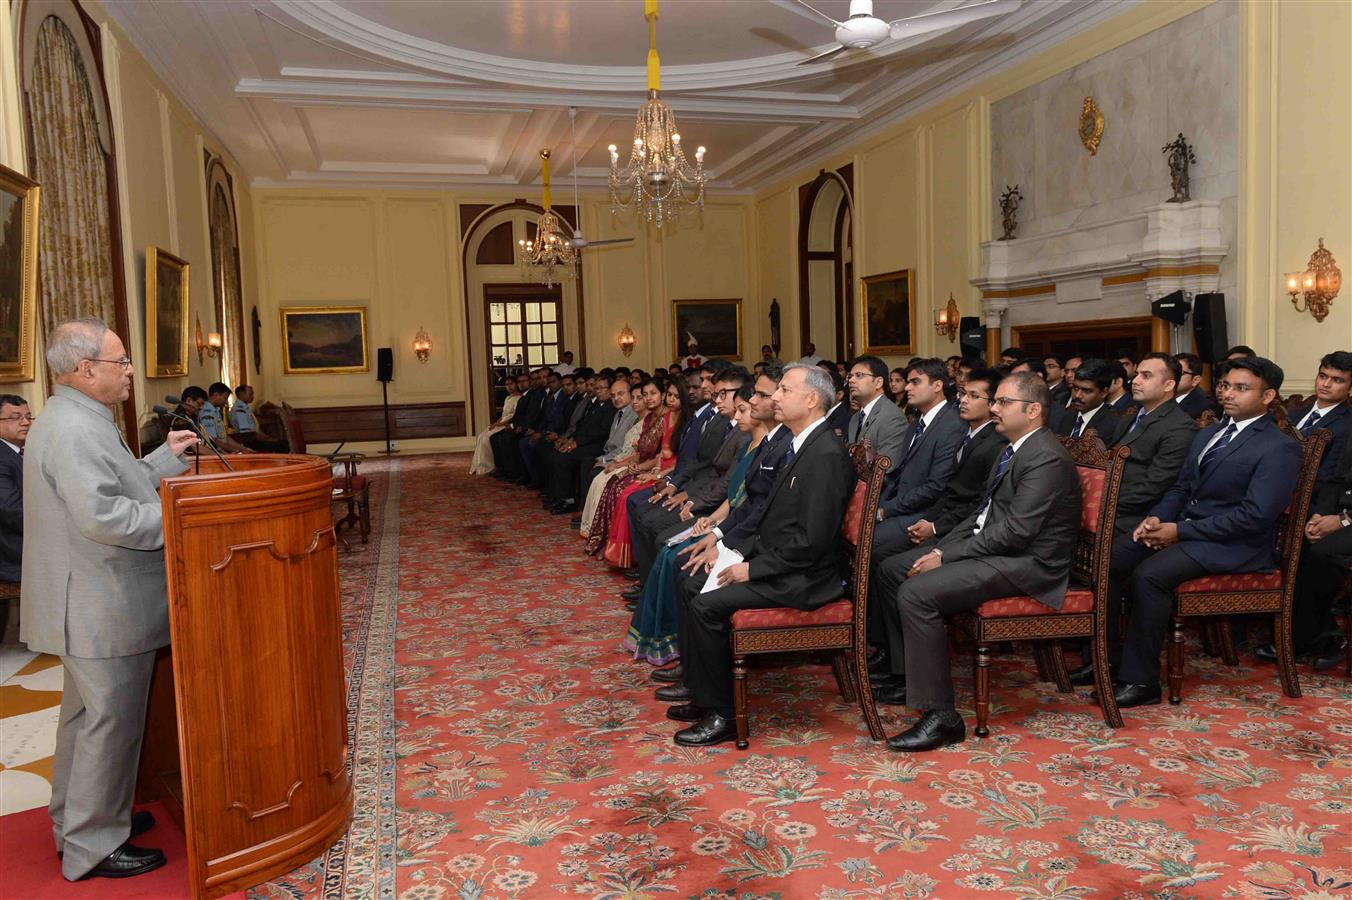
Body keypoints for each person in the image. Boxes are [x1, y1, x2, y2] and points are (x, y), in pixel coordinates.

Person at [20, 318, 200, 881]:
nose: (129, 371)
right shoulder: (76, 428)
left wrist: (164, 460)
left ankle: (80, 823)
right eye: (120, 361)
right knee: (108, 724)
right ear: (83, 369)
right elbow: (104, 516)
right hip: (102, 604)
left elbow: (113, 485)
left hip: (94, 599)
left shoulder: (79, 418)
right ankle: (94, 845)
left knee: (84, 720)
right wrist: (181, 516)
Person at [871, 372, 1081, 751]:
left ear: (1033, 410)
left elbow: (1017, 532)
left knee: (918, 593)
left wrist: (946, 554)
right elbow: (982, 513)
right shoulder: (1013, 446)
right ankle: (909, 676)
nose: (995, 409)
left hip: (1028, 564)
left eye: (1003, 403)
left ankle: (942, 717)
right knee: (891, 570)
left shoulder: (1045, 458)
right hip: (997, 549)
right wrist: (939, 549)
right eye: (995, 401)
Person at [665, 364, 855, 746]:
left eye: (785, 390)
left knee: (706, 605)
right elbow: (769, 516)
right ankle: (705, 695)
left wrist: (751, 569)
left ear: (812, 400)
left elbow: (812, 541)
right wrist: (727, 549)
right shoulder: (799, 443)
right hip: (782, 562)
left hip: (805, 579)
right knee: (690, 581)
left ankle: (724, 715)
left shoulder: (825, 455)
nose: (775, 398)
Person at [1109, 357, 1301, 708]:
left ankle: (1141, 681)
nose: (1228, 394)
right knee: (1112, 559)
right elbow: (1181, 489)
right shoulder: (1209, 432)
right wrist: (1155, 519)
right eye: (1226, 385)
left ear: (1268, 395)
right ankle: (1108, 661)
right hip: (1188, 528)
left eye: (1241, 388)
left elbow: (1254, 516)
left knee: (1149, 575)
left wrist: (1180, 531)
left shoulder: (1279, 447)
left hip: (1234, 544)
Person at [1067, 353, 1197, 685]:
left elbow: (1157, 486)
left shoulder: (1178, 426)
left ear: (1169, 385)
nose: (1135, 380)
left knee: (1101, 562)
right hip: (1112, 513)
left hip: (1140, 519)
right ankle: (1097, 656)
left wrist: (1102, 508)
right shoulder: (1131, 417)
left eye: (1146, 375)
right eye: (1137, 374)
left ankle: (1107, 659)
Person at [624, 384, 766, 666]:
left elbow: (751, 504)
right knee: (668, 549)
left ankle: (680, 649)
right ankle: (670, 643)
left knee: (676, 557)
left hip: (741, 535)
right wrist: (712, 520)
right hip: (725, 520)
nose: (736, 418)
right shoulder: (749, 443)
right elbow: (734, 496)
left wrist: (717, 532)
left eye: (742, 410)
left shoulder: (768, 448)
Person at [1254, 351, 1352, 667]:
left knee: (1310, 551)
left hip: (1318, 504)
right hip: (1283, 497)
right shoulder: (1296, 412)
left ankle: (1308, 636)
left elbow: (1331, 478)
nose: (1326, 384)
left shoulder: (1347, 423)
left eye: (1337, 380)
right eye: (1323, 376)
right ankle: (1270, 626)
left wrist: (1318, 516)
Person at [871, 359, 965, 558]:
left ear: (937, 385)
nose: (907, 387)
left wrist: (885, 510)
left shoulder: (952, 425)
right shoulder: (916, 423)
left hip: (924, 514)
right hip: (900, 504)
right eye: (908, 382)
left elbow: (935, 487)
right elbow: (900, 472)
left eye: (915, 382)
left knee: (868, 542)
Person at [582, 379, 670, 554]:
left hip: (658, 469)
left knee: (619, 489)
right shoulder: (649, 419)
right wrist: (624, 464)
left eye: (652, 394)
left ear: (663, 395)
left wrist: (643, 468)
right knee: (612, 483)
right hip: (641, 464)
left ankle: (625, 552)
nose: (647, 399)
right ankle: (606, 540)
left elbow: (662, 455)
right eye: (645, 395)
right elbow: (640, 451)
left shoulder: (666, 419)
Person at [578, 387, 646, 534]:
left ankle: (604, 528)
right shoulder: (629, 416)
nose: (635, 402)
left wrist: (613, 462)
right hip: (620, 457)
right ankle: (593, 522)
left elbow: (634, 450)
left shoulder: (644, 419)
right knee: (594, 473)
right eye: (613, 395)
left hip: (632, 461)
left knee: (601, 478)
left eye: (639, 397)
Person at [545, 376, 619, 512]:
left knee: (562, 458)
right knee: (554, 454)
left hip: (597, 446)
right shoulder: (595, 404)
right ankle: (558, 496)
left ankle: (570, 501)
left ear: (610, 390)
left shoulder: (611, 407)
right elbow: (582, 425)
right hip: (584, 442)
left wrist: (576, 443)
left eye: (603, 388)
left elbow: (601, 431)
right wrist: (571, 440)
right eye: (597, 388)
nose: (599, 391)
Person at [845, 356, 908, 469]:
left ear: (878, 382)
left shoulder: (892, 417)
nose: (851, 380)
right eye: (850, 376)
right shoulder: (855, 418)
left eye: (859, 375)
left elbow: (886, 468)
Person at [1058, 358, 1125, 444]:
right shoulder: (1065, 417)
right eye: (1075, 388)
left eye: (1086, 391)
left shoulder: (1114, 425)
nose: (1077, 395)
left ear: (1104, 392)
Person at [471, 374, 525, 475]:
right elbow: (503, 415)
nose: (509, 386)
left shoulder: (520, 398)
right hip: (502, 422)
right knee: (482, 435)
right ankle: (481, 466)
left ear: (516, 384)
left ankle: (490, 466)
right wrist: (495, 424)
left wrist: (501, 424)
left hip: (509, 423)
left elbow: (513, 416)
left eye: (511, 384)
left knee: (487, 438)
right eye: (507, 384)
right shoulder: (508, 398)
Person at [0, 394, 28, 584]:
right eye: (16, 417)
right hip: (14, 559)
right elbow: (12, 511)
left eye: (28, 416)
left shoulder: (21, 451)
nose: (25, 422)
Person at [1011, 358, 1072, 433]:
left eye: (1020, 376)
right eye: (1012, 378)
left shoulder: (1058, 414)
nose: (1014, 382)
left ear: (1038, 376)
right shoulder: (1012, 407)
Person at [201, 383, 253, 454]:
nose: (226, 402)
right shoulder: (206, 413)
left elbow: (224, 437)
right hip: (216, 452)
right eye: (225, 398)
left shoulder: (215, 411)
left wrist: (243, 448)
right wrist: (237, 451)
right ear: (216, 395)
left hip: (223, 449)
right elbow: (213, 440)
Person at [1173, 353, 1218, 418]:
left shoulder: (1203, 406)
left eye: (1179, 373)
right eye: (1171, 372)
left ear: (1195, 380)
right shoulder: (1161, 400)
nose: (1172, 377)